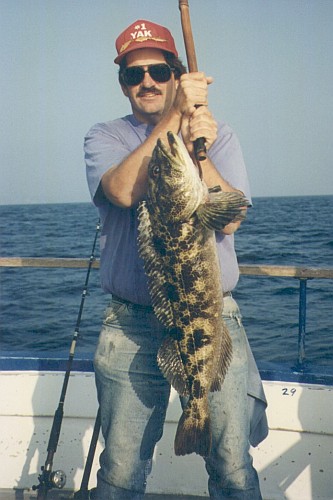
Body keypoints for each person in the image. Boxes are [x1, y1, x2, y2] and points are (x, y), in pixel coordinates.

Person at [84, 19, 268, 500]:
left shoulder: (217, 134)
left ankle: (199, 414)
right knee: (120, 472)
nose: (147, 82)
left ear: (176, 73)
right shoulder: (105, 136)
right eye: (133, 74)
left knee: (233, 468)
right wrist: (176, 120)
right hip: (130, 326)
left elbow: (228, 219)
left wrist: (199, 147)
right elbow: (124, 190)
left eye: (159, 72)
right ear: (122, 83)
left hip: (212, 320)